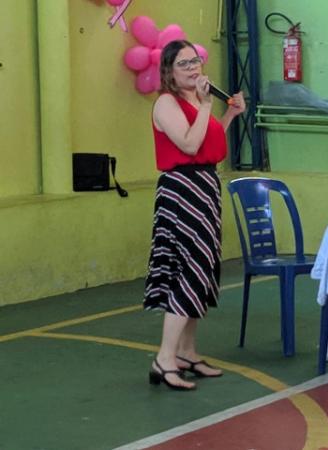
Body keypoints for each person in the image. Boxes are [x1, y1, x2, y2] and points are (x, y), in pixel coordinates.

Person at [143, 40, 245, 390]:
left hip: (204, 187)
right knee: (186, 270)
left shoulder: (195, 103)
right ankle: (165, 358)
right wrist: (205, 106)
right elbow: (188, 145)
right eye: (184, 64)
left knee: (201, 270)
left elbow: (208, 144)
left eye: (196, 61)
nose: (193, 68)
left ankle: (186, 352)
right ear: (169, 71)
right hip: (181, 191)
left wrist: (228, 114)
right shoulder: (166, 103)